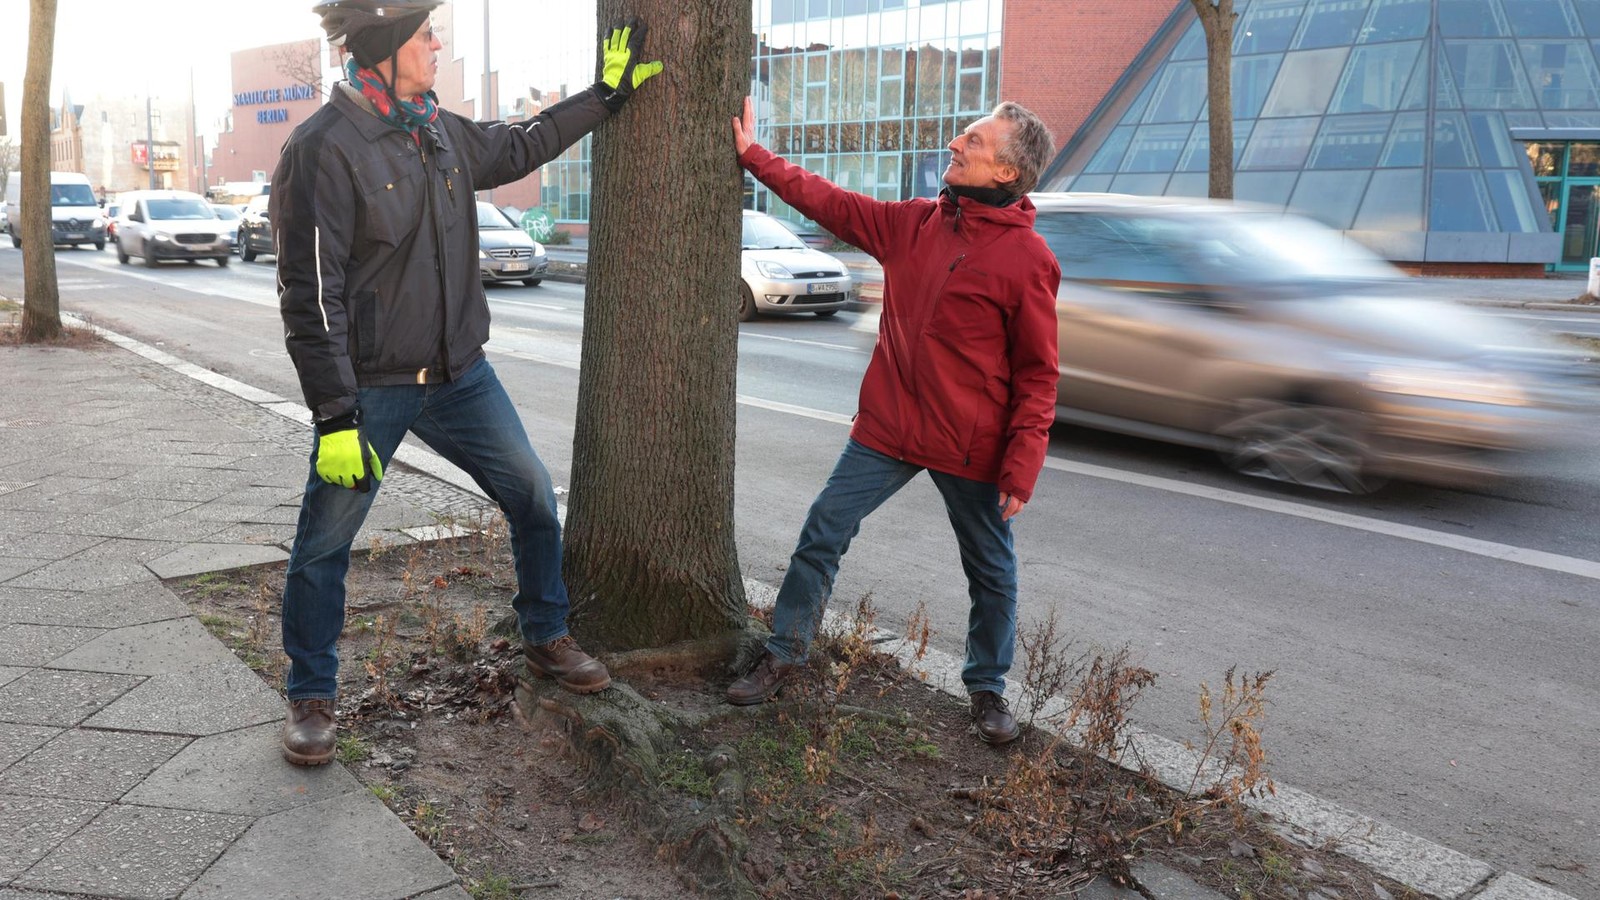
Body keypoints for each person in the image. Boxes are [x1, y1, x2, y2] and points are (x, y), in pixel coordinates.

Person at [274, 0, 662, 766]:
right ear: (383, 49)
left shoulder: (438, 129)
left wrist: (604, 97)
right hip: (373, 388)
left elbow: (522, 146)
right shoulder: (321, 148)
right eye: (424, 35)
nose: (436, 44)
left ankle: (546, 633)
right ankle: (312, 695)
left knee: (532, 497)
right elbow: (311, 293)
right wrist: (336, 417)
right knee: (324, 545)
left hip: (460, 377)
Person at [724, 97, 1061, 745]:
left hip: (972, 444)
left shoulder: (1030, 262)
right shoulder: (915, 224)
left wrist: (1022, 464)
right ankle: (784, 652)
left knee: (991, 568)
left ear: (1005, 175)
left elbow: (1037, 374)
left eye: (974, 140)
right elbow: (830, 202)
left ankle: (987, 688)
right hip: (890, 426)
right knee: (823, 531)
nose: (956, 143)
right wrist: (753, 158)